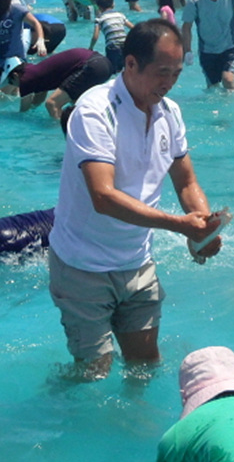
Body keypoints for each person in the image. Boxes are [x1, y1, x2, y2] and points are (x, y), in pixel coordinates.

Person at [48, 20, 222, 377]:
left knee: (145, 366)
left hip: (137, 262)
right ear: (130, 64)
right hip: (83, 266)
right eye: (162, 73)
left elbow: (186, 181)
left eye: (176, 73)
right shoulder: (95, 110)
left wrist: (202, 227)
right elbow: (103, 196)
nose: (169, 83)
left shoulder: (169, 113)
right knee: (93, 374)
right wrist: (178, 226)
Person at [0, 48, 112, 121]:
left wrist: (15, 119)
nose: (15, 86)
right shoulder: (34, 71)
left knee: (52, 103)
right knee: (76, 105)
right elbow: (39, 97)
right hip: (102, 63)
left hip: (91, 66)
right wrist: (33, 108)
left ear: (16, 75)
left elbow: (23, 111)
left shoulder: (26, 78)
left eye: (11, 82)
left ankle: (59, 133)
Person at [89, 0, 131, 73]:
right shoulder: (120, 15)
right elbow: (133, 28)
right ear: (113, 4)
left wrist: (91, 47)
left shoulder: (99, 18)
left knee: (112, 71)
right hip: (125, 45)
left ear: (98, 7)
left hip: (112, 46)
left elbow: (95, 36)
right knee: (125, 70)